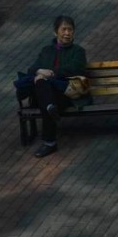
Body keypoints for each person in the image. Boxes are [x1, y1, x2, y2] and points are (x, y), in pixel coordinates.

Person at [23, 15, 87, 158]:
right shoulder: (47, 50)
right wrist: (40, 71)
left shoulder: (78, 51)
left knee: (45, 92)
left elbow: (76, 69)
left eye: (70, 30)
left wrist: (51, 73)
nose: (67, 33)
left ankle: (49, 143)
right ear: (55, 32)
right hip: (49, 94)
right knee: (41, 84)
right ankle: (50, 109)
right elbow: (32, 69)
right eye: (64, 29)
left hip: (67, 93)